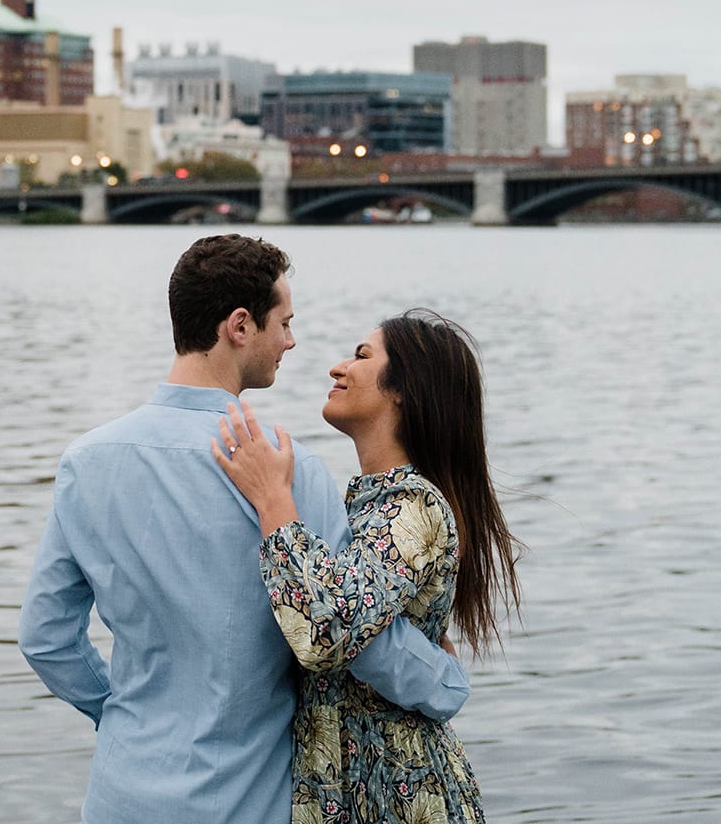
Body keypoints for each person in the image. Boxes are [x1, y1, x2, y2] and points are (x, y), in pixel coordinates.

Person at [18, 236, 470, 824]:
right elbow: (354, 639)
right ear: (239, 325)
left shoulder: (87, 462)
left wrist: (124, 714)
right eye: (283, 322)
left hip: (121, 795)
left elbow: (46, 639)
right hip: (247, 799)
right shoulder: (290, 470)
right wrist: (447, 684)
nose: (291, 340)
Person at [212, 309, 520, 824]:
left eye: (361, 356)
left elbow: (325, 631)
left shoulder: (412, 506)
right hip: (349, 790)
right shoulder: (367, 507)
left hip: (399, 796)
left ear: (404, 389)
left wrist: (272, 499)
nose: (337, 368)